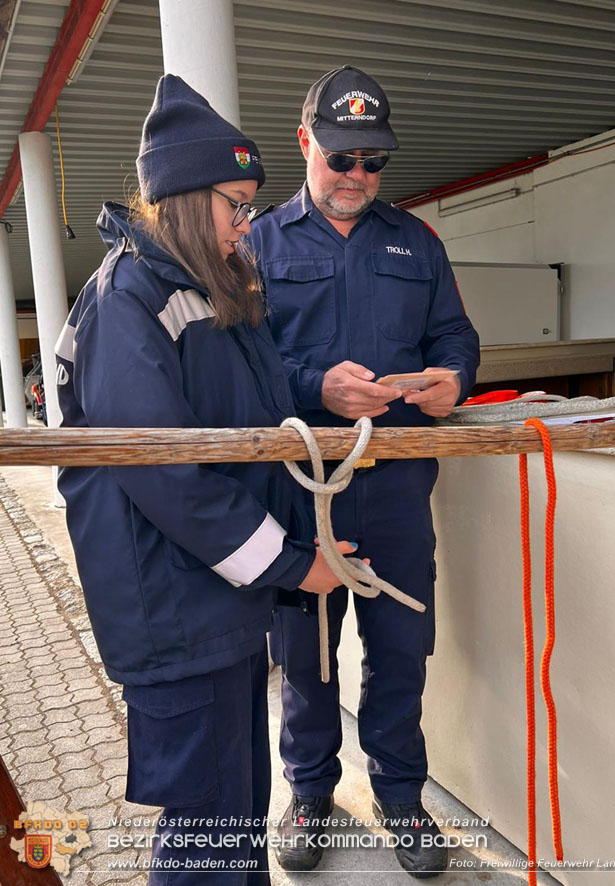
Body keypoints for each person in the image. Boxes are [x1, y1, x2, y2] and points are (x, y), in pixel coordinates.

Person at [55, 74, 359, 885]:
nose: (244, 226)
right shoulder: (131, 300)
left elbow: (253, 427)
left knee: (230, 816)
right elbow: (172, 477)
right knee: (207, 835)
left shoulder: (199, 292)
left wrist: (308, 538)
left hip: (212, 602)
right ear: (188, 201)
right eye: (236, 205)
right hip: (171, 611)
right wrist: (296, 564)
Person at [248, 65, 481, 877]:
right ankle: (311, 792)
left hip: (394, 487)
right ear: (304, 141)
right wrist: (313, 386)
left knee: (398, 644)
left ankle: (401, 797)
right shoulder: (254, 244)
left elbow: (454, 336)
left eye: (372, 161)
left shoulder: (415, 241)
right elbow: (231, 367)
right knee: (308, 649)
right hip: (302, 491)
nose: (356, 177)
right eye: (339, 157)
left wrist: (453, 377)